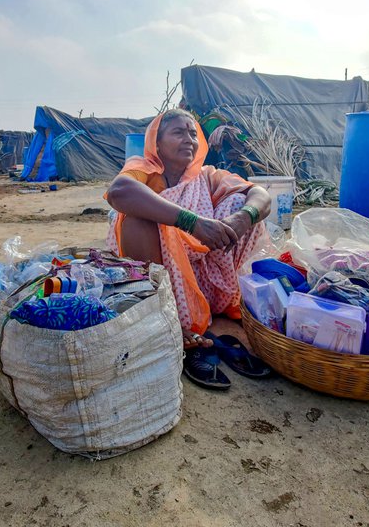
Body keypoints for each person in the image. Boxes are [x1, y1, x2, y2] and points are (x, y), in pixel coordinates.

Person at [105, 109, 272, 389]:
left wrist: (241, 218)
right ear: (156, 143)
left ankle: (200, 309)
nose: (189, 139)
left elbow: (262, 196)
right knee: (135, 217)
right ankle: (165, 319)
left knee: (240, 205)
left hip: (206, 280)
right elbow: (119, 191)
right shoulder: (144, 168)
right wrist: (191, 222)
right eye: (178, 132)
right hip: (162, 285)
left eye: (193, 133)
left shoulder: (206, 176)